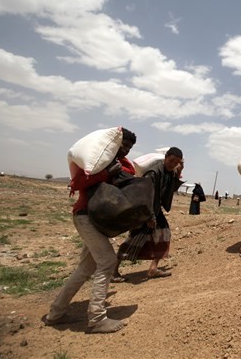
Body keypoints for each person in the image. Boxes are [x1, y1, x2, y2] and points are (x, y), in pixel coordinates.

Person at [43, 127, 137, 334]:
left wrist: (118, 168)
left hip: (97, 220)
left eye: (130, 147)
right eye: (124, 145)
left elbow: (130, 175)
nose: (126, 150)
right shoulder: (97, 164)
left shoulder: (116, 162)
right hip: (86, 217)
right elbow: (77, 183)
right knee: (108, 262)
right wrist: (105, 173)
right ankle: (96, 319)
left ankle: (55, 314)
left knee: (85, 268)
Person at [113, 147, 184, 281]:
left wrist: (178, 173)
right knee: (135, 239)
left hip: (156, 210)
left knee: (164, 233)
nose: (173, 164)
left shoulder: (169, 173)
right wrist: (149, 216)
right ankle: (113, 271)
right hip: (145, 210)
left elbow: (170, 190)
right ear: (166, 157)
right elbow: (145, 195)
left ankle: (153, 269)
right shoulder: (153, 173)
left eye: (177, 162)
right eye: (172, 160)